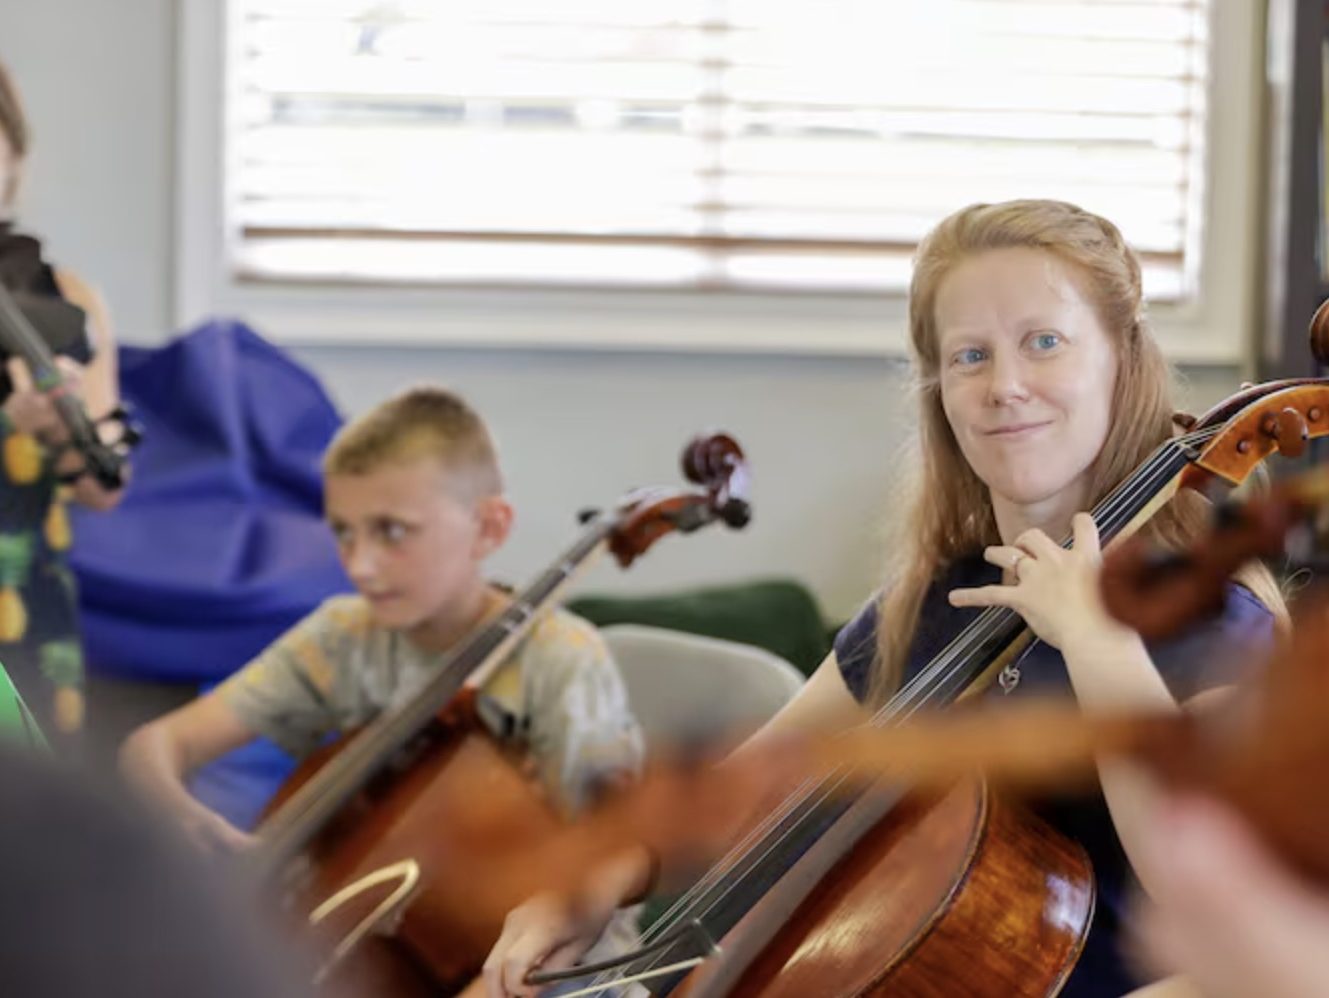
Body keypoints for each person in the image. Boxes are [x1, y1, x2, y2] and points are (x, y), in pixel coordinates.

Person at [479, 199, 1284, 998]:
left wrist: (1095, 638)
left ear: (1120, 360)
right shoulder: (940, 600)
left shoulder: (1211, 622)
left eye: (1044, 342)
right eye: (969, 356)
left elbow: (1221, 904)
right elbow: (741, 789)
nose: (1004, 386)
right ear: (939, 389)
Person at [119, 386, 646, 991]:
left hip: (564, 973)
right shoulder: (344, 635)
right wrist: (178, 813)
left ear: (488, 527)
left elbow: (621, 847)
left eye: (392, 531)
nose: (360, 564)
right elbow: (154, 746)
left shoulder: (559, 657)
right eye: (344, 533)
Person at [0, 60, 126, 737]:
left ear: (15, 154)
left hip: (27, 603)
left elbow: (105, 487)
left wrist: (62, 436)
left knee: (33, 788)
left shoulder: (68, 297)